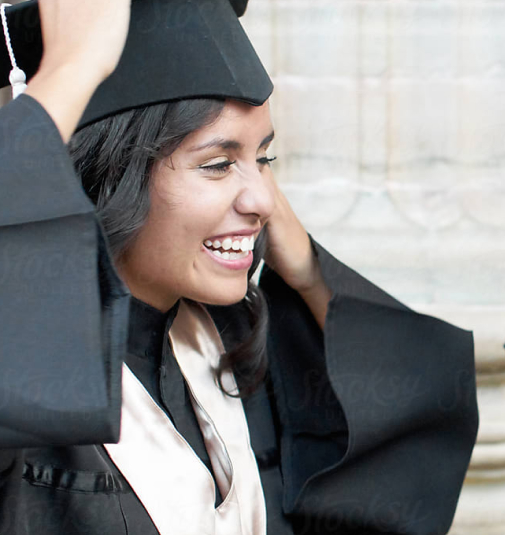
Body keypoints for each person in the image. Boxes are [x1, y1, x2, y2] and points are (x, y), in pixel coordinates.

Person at [0, 1, 478, 534]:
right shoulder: (34, 393)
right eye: (218, 163)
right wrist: (70, 74)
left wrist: (308, 273)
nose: (263, 200)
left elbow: (414, 414)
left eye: (264, 159)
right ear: (115, 175)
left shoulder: (233, 351)